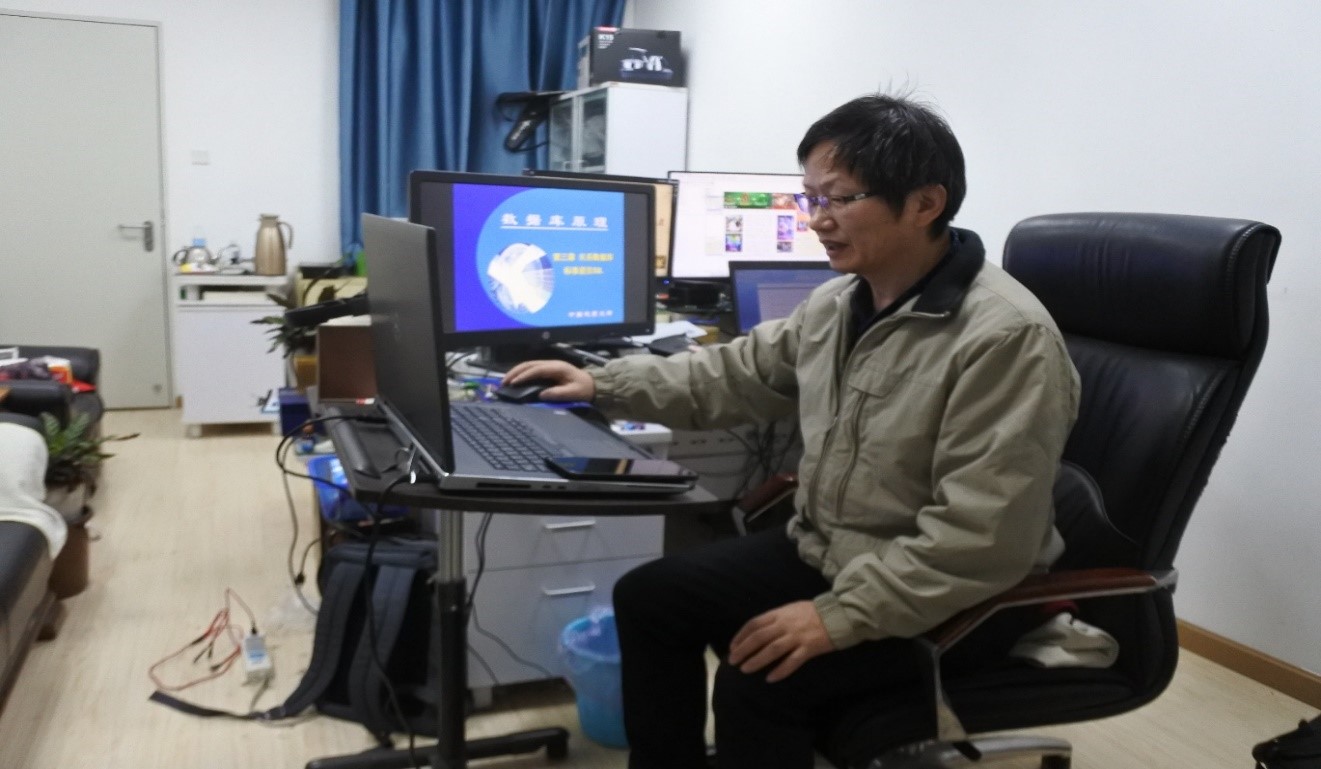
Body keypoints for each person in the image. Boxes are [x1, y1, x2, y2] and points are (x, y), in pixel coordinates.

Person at [502, 93, 1081, 769]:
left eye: (839, 199)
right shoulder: (839, 301)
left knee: (757, 678)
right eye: (810, 197)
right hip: (831, 551)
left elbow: (979, 540)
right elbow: (732, 375)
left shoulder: (1005, 339)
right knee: (649, 598)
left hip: (950, 595)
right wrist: (603, 383)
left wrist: (836, 617)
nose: (816, 219)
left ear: (925, 203)